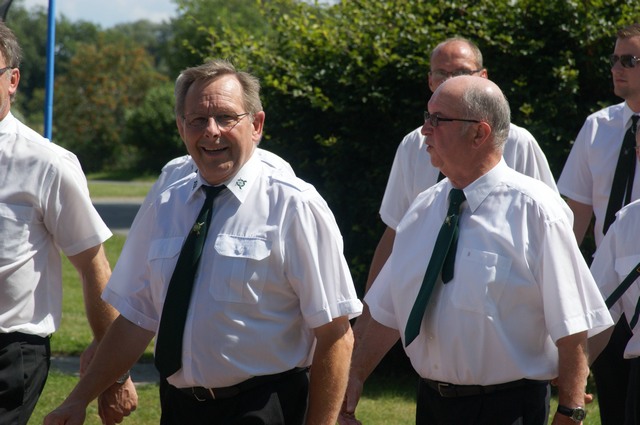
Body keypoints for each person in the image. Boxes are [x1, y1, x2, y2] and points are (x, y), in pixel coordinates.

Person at [44, 59, 362, 425]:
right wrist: (77, 400)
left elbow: (335, 334)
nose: (211, 131)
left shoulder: (294, 206)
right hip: (179, 408)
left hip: (264, 407)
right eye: (197, 120)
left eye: (226, 118)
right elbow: (136, 316)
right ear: (182, 127)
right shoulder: (167, 202)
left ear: (256, 125)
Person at [346, 75, 613, 424]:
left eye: (437, 119)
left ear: (479, 133)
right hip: (431, 405)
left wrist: (571, 410)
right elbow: (384, 311)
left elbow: (573, 323)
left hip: (508, 408)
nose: (425, 130)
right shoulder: (423, 209)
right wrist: (351, 378)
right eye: (426, 117)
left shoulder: (536, 210)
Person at [0, 22, 137, 425]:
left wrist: (114, 373)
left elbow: (94, 267)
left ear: (12, 80)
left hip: (8, 352)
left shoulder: (46, 163)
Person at [557, 23, 640, 425]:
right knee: (615, 406)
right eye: (614, 59)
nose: (616, 68)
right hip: (605, 285)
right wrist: (561, 287)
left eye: (629, 60)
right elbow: (574, 218)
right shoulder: (597, 126)